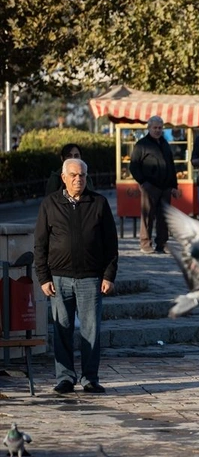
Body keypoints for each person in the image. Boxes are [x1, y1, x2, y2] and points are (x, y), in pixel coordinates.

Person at [34, 158, 118, 394]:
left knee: (91, 330)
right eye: (73, 175)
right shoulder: (50, 204)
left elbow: (111, 244)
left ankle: (90, 378)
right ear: (63, 178)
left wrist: (109, 275)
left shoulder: (98, 203)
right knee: (62, 329)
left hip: (91, 278)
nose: (78, 179)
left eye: (82, 175)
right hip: (59, 279)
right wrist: (43, 277)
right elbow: (40, 244)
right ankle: (65, 377)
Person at [129, 115, 176, 254]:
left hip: (165, 187)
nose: (157, 130)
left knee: (164, 217)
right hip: (150, 186)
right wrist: (143, 182)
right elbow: (134, 166)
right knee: (148, 215)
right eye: (155, 128)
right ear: (149, 128)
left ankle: (162, 243)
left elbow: (171, 165)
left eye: (160, 128)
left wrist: (173, 186)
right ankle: (145, 243)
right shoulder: (142, 144)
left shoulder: (165, 143)